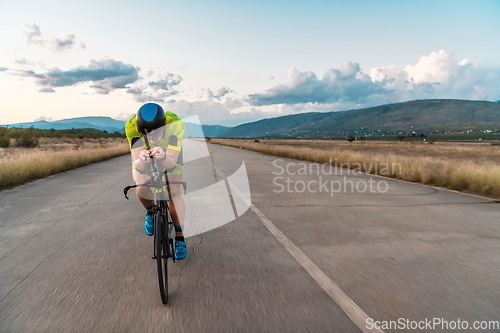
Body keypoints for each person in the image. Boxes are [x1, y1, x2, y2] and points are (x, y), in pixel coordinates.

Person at [125, 103, 187, 260]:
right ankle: (150, 212)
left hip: (170, 154)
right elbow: (138, 167)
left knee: (174, 192)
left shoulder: (175, 124)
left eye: (157, 134)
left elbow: (172, 163)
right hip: (143, 154)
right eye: (147, 135)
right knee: (141, 185)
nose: (152, 139)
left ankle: (180, 238)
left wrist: (164, 157)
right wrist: (142, 160)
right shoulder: (131, 127)